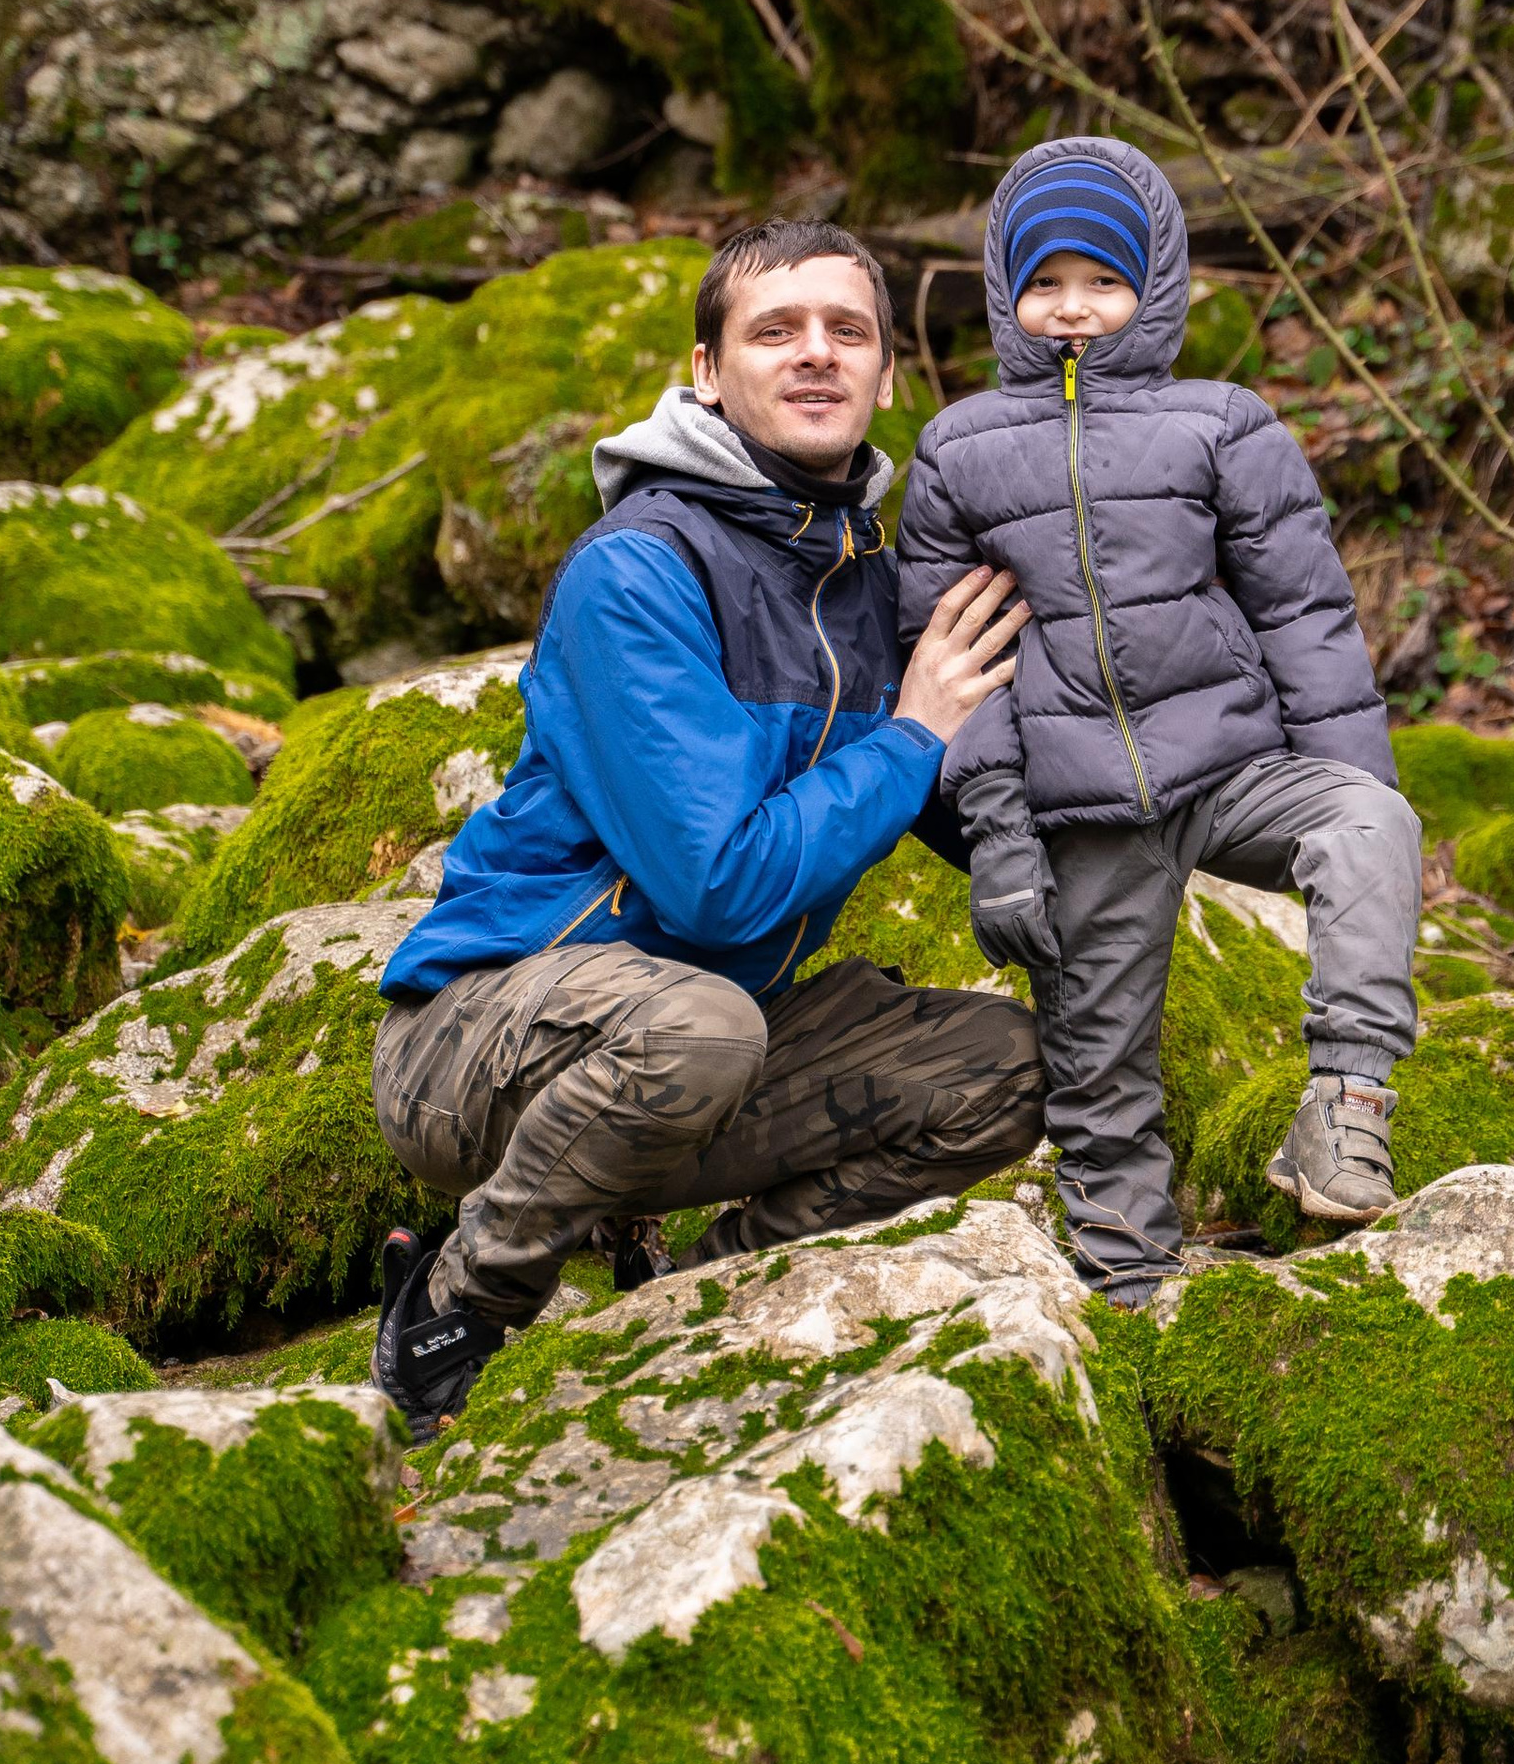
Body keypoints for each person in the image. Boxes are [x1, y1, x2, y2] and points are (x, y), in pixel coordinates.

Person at [368, 219, 1042, 1435]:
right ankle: (466, 1292)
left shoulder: (875, 582)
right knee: (700, 1022)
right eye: (772, 331)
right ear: (705, 372)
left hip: (713, 1046)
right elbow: (717, 887)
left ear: (890, 378)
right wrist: (913, 729)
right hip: (480, 1046)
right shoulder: (641, 571)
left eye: (848, 331)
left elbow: (986, 805)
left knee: (1003, 1067)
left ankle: (689, 1291)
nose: (815, 355)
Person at [896, 134, 1421, 1304]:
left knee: (1369, 827)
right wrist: (998, 840)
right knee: (1097, 1063)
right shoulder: (956, 451)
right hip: (1078, 802)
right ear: (1005, 295)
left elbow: (1308, 619)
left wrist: (1356, 779)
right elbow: (945, 661)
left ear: (1153, 286)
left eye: (1101, 282)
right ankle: (1128, 1282)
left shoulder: (1220, 424)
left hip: (1230, 765)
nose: (1073, 311)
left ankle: (1343, 1107)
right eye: (1045, 285)